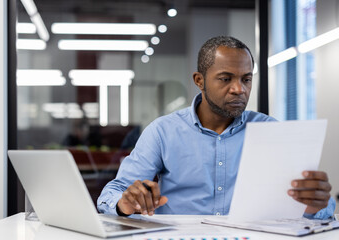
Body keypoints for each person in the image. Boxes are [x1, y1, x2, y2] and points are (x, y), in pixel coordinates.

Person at [97, 36, 335, 218]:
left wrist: (317, 203)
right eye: (225, 78)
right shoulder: (163, 132)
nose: (239, 89)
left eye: (246, 79)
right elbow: (110, 194)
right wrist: (125, 202)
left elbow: (318, 209)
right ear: (199, 80)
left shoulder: (270, 131)